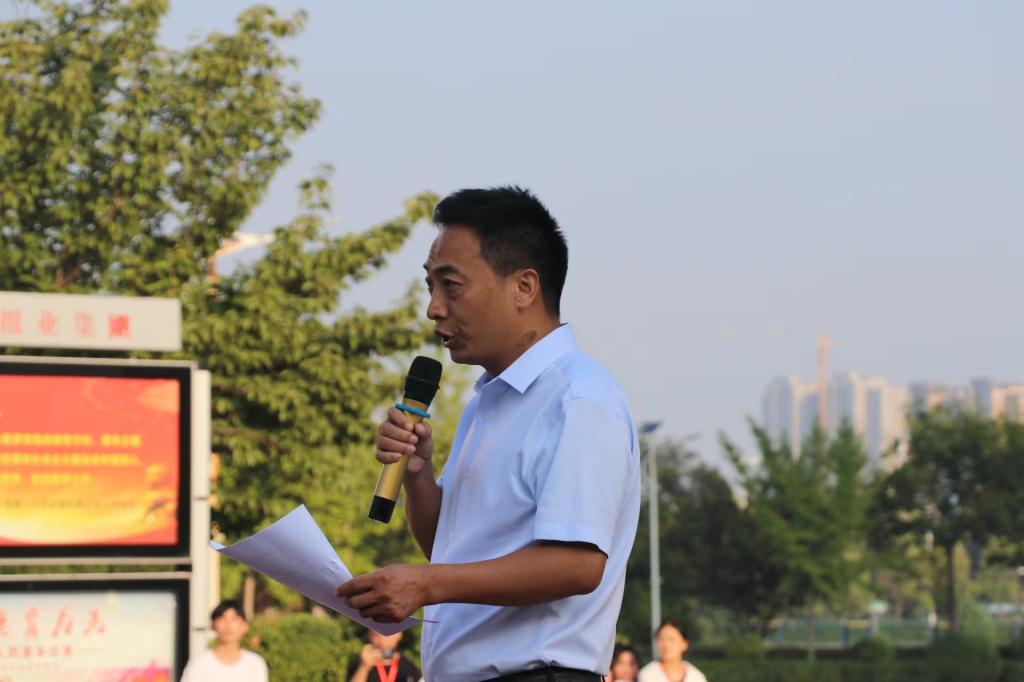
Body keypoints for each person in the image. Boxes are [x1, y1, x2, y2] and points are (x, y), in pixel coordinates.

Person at [335, 186, 642, 681]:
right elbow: (450, 549)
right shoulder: (485, 403)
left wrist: (425, 585)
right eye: (430, 286)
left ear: (524, 287)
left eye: (451, 286)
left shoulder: (578, 399)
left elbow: (577, 565)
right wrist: (417, 473)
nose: (434, 308)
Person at [181, 600, 268, 682]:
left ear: (244, 626)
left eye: (234, 619)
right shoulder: (199, 663)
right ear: (213, 625)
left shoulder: (255, 663)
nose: (228, 625)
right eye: (222, 619)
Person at [637, 621, 707, 682]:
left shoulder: (696, 677)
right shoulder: (648, 674)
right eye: (661, 639)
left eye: (671, 639)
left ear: (684, 644)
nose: (666, 644)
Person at [347, 628, 421, 682]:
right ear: (370, 634)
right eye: (378, 633)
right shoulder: (359, 664)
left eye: (390, 633)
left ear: (400, 635)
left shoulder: (409, 668)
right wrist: (364, 667)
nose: (384, 637)